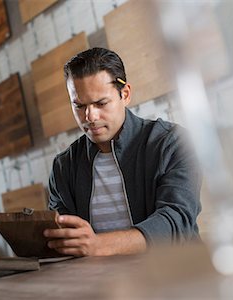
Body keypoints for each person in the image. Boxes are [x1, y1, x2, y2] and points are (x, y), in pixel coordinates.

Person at [44, 47, 201, 256]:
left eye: (100, 103)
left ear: (125, 94)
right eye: (79, 106)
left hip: (178, 276)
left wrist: (97, 245)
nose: (89, 116)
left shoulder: (173, 143)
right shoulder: (64, 166)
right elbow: (62, 237)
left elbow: (176, 222)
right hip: (102, 283)